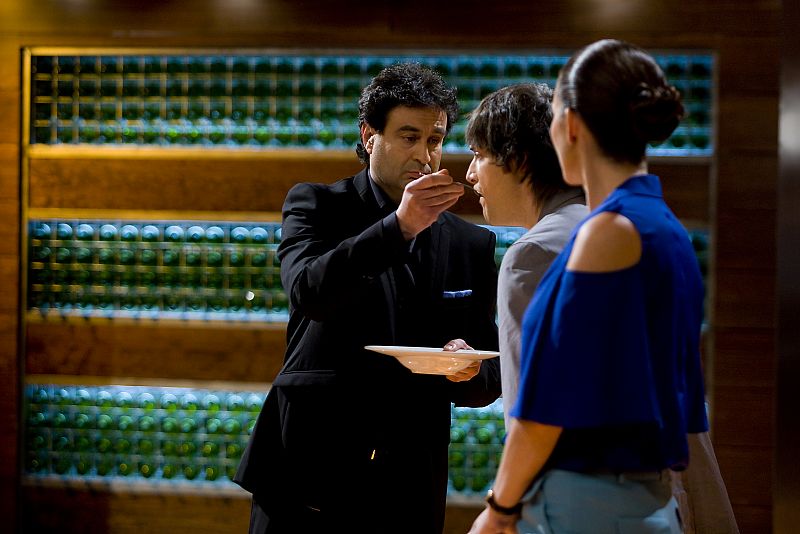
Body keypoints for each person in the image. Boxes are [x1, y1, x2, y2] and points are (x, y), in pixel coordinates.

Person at [234, 62, 501, 534]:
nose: (424, 154)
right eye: (409, 136)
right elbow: (309, 292)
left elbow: (490, 373)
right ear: (370, 135)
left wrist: (470, 367)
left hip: (408, 488)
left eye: (435, 140)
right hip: (307, 480)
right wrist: (399, 227)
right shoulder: (316, 206)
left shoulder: (470, 243)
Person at [468, 39, 709, 534]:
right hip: (644, 496)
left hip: (584, 500)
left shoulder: (609, 232)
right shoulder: (665, 226)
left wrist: (499, 507)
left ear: (571, 125)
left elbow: (546, 401)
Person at [461, 83, 587, 429]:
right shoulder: (617, 226)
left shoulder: (534, 253)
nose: (470, 173)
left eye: (478, 155)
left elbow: (530, 414)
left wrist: (509, 485)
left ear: (518, 160)